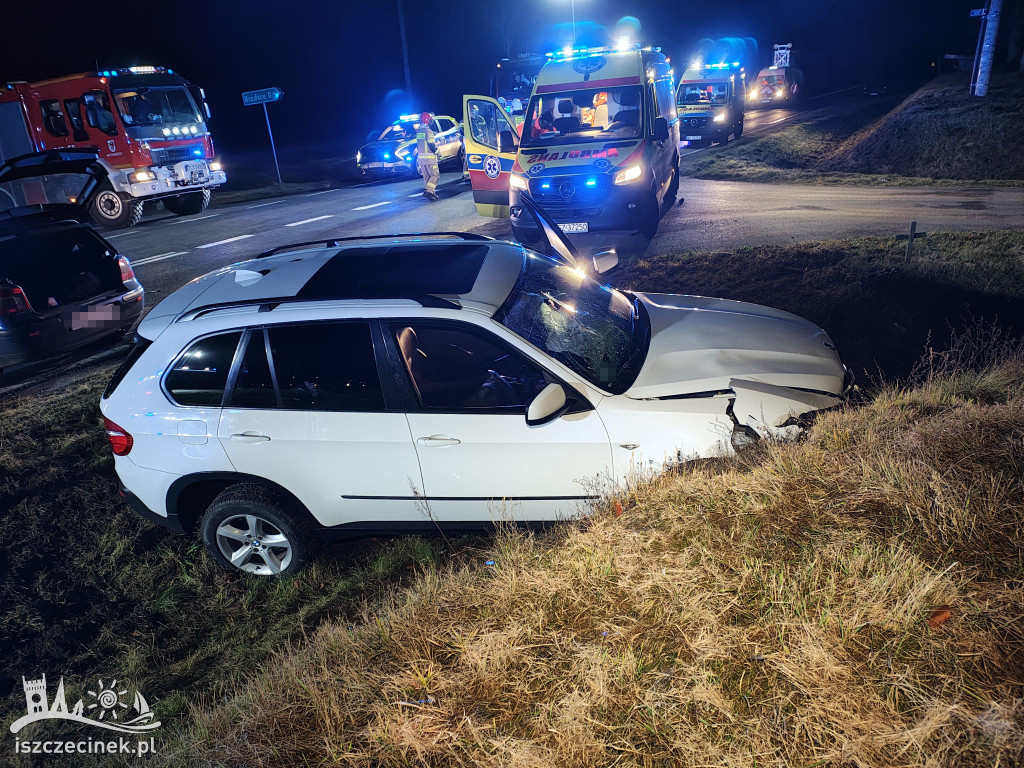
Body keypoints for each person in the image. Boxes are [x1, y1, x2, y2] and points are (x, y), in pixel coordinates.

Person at [415, 112, 439, 201]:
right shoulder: (428, 131)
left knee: (427, 177)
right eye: (429, 120)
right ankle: (429, 191)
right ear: (427, 121)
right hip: (430, 159)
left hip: (421, 159)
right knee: (435, 175)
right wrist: (438, 152)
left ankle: (431, 193)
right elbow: (431, 145)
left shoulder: (419, 132)